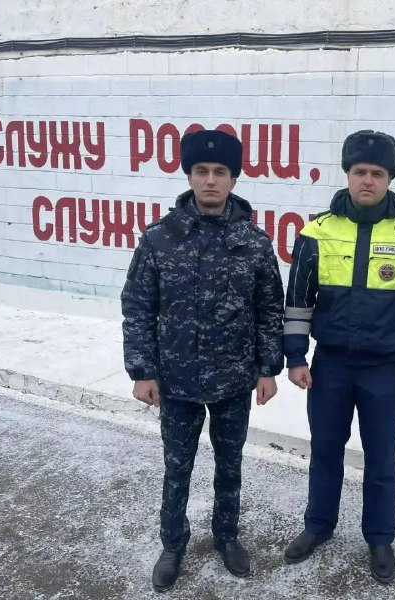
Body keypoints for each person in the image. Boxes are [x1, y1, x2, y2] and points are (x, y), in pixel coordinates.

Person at [121, 129, 284, 592]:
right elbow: (138, 306)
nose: (210, 180)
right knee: (178, 469)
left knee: (230, 465)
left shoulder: (254, 242)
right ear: (189, 176)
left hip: (234, 379)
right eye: (201, 171)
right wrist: (142, 371)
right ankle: (173, 544)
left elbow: (269, 308)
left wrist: (268, 368)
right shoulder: (160, 238)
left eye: (220, 172)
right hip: (176, 380)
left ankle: (226, 536)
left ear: (233, 179)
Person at [281, 130, 395, 583]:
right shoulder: (317, 231)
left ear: (390, 178)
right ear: (348, 174)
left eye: (377, 173)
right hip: (329, 366)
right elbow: (298, 301)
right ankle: (318, 526)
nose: (367, 180)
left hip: (382, 369)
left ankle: (379, 538)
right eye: (359, 172)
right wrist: (296, 357)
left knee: (381, 458)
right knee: (325, 451)